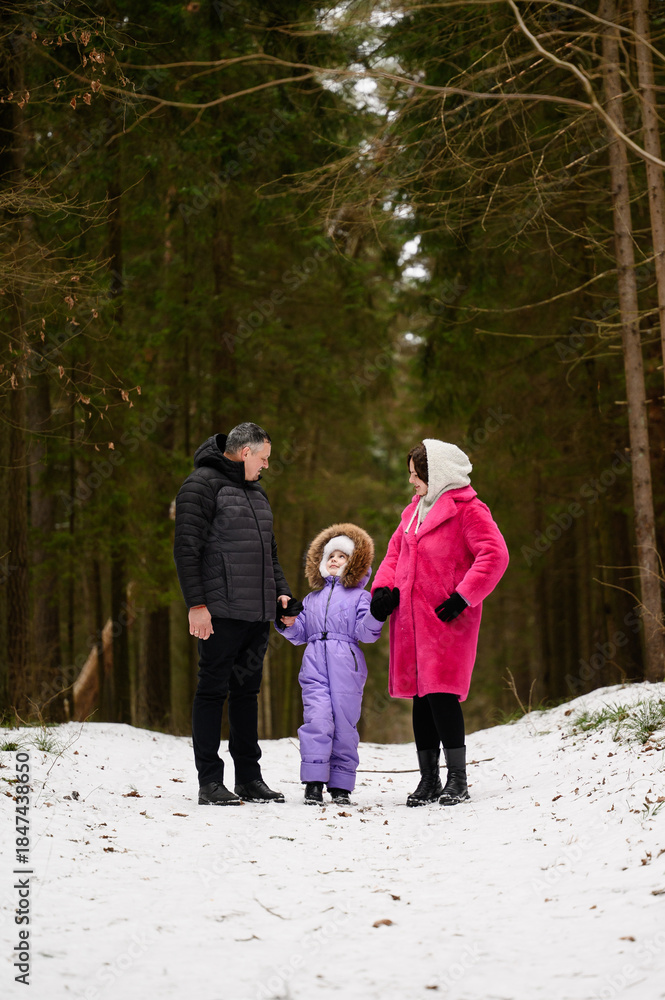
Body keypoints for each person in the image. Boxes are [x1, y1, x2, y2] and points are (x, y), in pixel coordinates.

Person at [371, 439, 509, 807]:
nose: (412, 483)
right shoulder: (413, 512)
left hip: (446, 619)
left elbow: (494, 555)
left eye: (417, 476)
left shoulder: (469, 510)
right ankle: (429, 780)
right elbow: (393, 554)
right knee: (420, 697)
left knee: (442, 694)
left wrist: (464, 596)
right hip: (411, 622)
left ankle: (458, 780)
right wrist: (383, 589)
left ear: (439, 474)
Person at [173, 422, 301, 806]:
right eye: (263, 458)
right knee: (212, 692)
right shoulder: (200, 485)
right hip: (219, 612)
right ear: (245, 453)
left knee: (247, 694)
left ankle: (249, 778)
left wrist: (282, 593)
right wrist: (196, 605)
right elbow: (186, 550)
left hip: (255, 614)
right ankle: (210, 782)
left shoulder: (257, 493)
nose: (265, 466)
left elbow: (270, 553)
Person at [275, 523, 384, 805]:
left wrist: (377, 614)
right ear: (322, 563)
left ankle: (341, 785)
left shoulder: (360, 597)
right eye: (331, 556)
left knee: (344, 725)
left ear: (354, 564)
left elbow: (366, 633)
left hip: (346, 665)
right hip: (314, 664)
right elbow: (300, 634)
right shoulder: (312, 599)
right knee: (317, 720)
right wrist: (286, 622)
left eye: (342, 556)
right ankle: (313, 781)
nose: (335, 560)